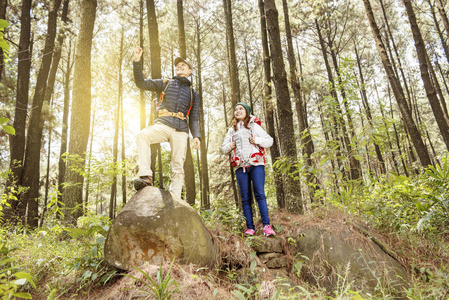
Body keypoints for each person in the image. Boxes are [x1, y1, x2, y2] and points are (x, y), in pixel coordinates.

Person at [132, 40, 200, 198]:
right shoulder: (166, 83)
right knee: (143, 135)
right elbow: (141, 83)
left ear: (190, 71)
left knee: (178, 166)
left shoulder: (193, 93)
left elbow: (194, 117)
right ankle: (146, 177)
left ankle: (175, 199)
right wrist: (137, 60)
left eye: (183, 65)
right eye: (177, 66)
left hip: (181, 130)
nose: (179, 67)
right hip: (163, 124)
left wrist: (196, 135)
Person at [221, 103, 276, 237]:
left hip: (256, 164)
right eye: (236, 110)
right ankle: (250, 228)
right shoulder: (231, 130)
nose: (238, 111)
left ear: (247, 112)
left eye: (241, 109)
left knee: (260, 194)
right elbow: (223, 149)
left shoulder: (253, 126)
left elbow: (270, 140)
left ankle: (266, 227)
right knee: (245, 198)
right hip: (241, 167)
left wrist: (256, 140)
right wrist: (229, 145)